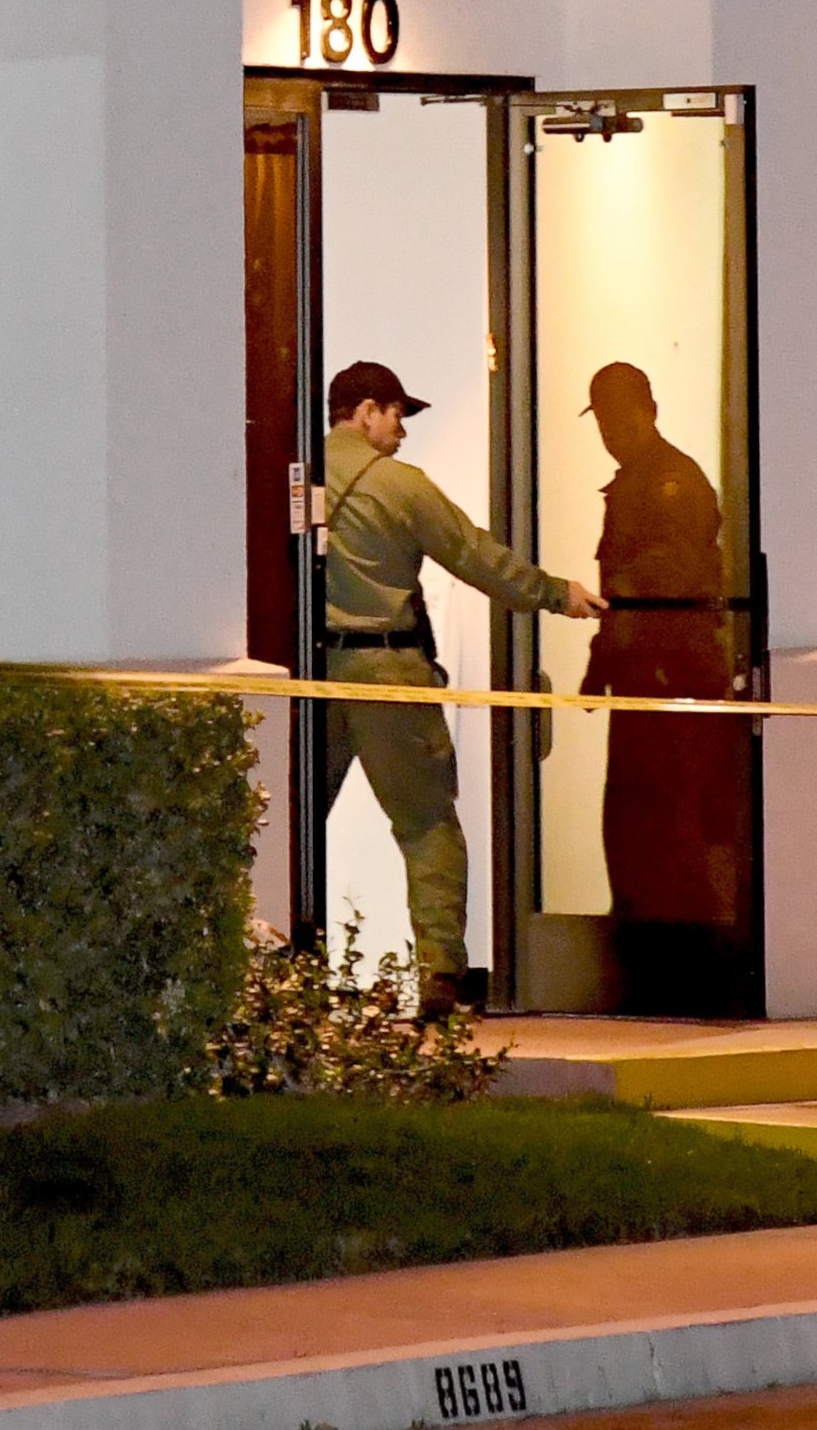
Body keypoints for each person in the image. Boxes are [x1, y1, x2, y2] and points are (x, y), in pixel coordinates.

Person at [316, 360, 605, 1022]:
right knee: (427, 828)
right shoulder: (401, 486)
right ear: (365, 411)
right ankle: (440, 976)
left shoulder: (296, 476)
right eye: (396, 415)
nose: (402, 432)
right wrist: (558, 594)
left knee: (292, 825)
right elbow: (475, 556)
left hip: (318, 678)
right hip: (392, 677)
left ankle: (272, 966)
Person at [578, 362, 749, 943]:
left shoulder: (674, 482)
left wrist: (634, 646)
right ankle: (639, 932)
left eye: (615, 418)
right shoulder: (633, 481)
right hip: (637, 677)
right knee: (630, 819)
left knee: (672, 823)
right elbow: (621, 598)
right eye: (599, 419)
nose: (607, 432)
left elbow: (673, 582)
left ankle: (678, 944)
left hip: (674, 679)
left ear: (647, 412)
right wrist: (599, 667)